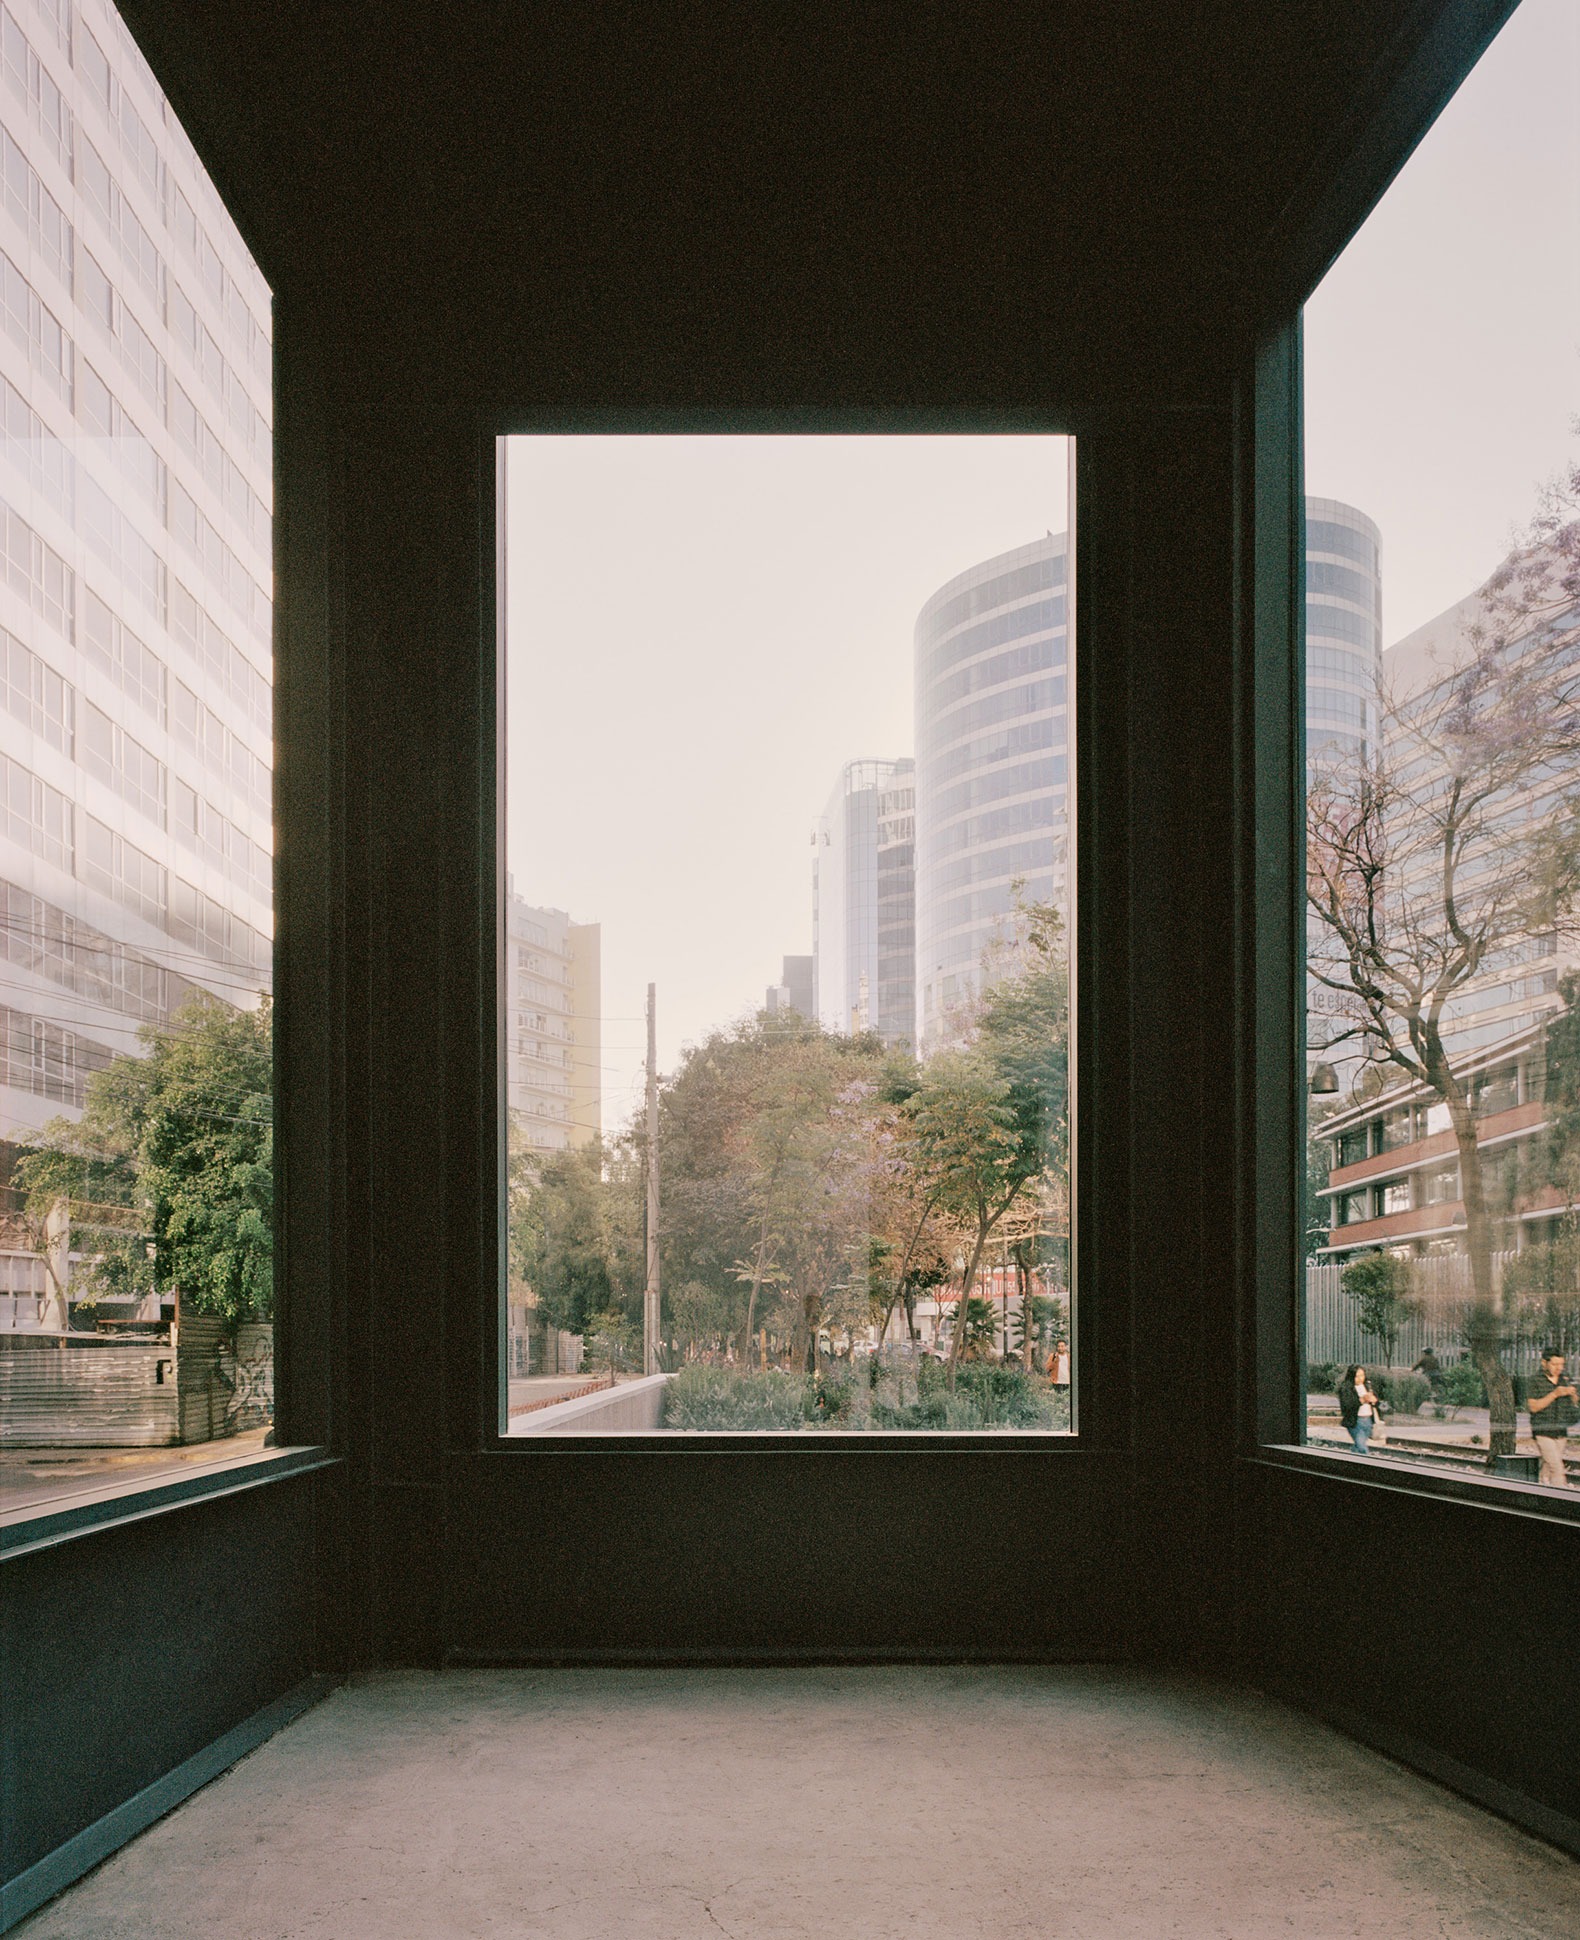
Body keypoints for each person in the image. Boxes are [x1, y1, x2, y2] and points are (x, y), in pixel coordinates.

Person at [1525, 1348, 1578, 1488]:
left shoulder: (1564, 1379)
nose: (1559, 1368)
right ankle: (1562, 1498)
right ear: (1544, 1363)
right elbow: (1533, 1407)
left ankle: (1540, 1490)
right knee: (1557, 1467)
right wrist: (1555, 1394)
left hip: (1561, 1430)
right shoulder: (1535, 1380)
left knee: (1548, 1466)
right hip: (1543, 1430)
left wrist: (1572, 1394)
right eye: (1555, 1364)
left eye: (1561, 1364)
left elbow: (1574, 1403)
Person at [1338, 1365, 1380, 1453]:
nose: (1360, 1379)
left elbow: (1376, 1401)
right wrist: (1361, 1400)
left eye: (1362, 1375)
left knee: (1358, 1445)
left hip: (1368, 1419)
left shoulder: (1367, 1386)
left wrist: (1374, 1400)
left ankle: (1352, 1459)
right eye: (1357, 1376)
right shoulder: (1346, 1388)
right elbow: (1347, 1405)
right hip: (1356, 1421)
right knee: (1362, 1447)